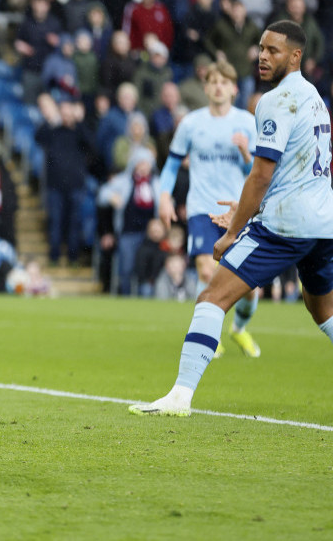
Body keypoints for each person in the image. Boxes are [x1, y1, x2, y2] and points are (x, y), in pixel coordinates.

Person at [130, 21, 333, 417]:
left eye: (273, 50)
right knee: (323, 311)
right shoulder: (314, 99)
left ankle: (179, 398)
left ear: (295, 56)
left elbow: (261, 175)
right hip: (323, 225)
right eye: (260, 48)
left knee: (210, 298)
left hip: (285, 226)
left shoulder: (274, 102)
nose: (262, 55)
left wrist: (234, 231)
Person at [156, 61, 259, 356]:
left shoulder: (247, 123)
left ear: (234, 89)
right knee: (206, 269)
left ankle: (238, 329)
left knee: (249, 286)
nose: (218, 86)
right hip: (201, 208)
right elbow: (172, 163)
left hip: (238, 211)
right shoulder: (191, 123)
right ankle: (209, 337)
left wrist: (244, 153)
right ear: (205, 87)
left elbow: (258, 173)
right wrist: (164, 196)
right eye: (213, 81)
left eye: (224, 82)